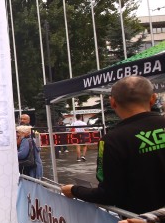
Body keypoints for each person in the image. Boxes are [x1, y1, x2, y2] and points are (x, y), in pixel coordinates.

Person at [61, 76, 165, 215]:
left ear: (113, 102)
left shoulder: (111, 141)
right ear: (153, 99)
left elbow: (109, 195)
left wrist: (74, 190)